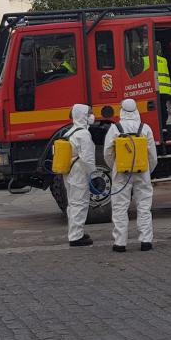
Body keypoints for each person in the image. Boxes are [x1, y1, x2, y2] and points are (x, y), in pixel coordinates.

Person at [103, 97, 158, 252]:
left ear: (122, 110)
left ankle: (120, 242)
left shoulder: (115, 128)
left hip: (121, 173)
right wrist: (148, 169)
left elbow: (107, 152)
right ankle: (146, 241)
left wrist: (115, 166)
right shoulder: (145, 128)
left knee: (120, 207)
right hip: (142, 171)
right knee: (144, 206)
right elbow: (152, 154)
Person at [63, 103, 97, 248]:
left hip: (69, 171)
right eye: (89, 113)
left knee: (72, 203)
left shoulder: (69, 132)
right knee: (80, 203)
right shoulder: (83, 134)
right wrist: (94, 176)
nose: (91, 116)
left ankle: (75, 232)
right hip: (79, 171)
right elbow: (88, 159)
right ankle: (76, 237)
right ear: (82, 115)